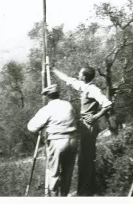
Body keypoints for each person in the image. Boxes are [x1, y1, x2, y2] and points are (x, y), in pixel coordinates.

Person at [51, 66, 112, 196]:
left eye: (79, 73)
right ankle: (84, 189)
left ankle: (85, 192)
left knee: (87, 159)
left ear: (84, 76)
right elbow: (69, 80)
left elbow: (107, 104)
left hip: (90, 125)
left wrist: (95, 116)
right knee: (83, 158)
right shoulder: (85, 86)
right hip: (85, 125)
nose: (78, 74)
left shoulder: (93, 89)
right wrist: (54, 70)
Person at [27, 84, 78, 197]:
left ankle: (54, 197)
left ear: (47, 96)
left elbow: (31, 127)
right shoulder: (68, 105)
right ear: (58, 94)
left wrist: (43, 126)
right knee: (67, 172)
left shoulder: (47, 109)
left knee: (53, 172)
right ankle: (64, 196)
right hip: (73, 140)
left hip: (57, 142)